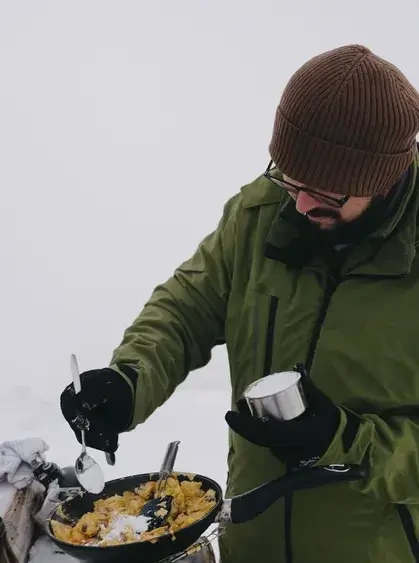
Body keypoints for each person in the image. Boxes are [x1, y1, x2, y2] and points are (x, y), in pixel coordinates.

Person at [60, 44, 419, 563]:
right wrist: (128, 380)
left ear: (383, 178)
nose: (300, 204)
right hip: (253, 541)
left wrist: (345, 441)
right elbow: (188, 305)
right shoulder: (262, 210)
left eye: (329, 193)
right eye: (290, 178)